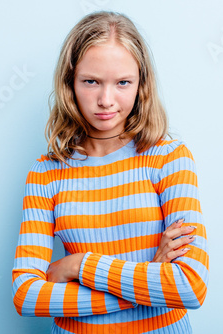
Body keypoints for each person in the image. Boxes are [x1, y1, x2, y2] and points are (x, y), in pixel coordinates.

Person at [12, 10, 209, 333]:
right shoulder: (46, 174)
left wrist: (78, 265)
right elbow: (27, 296)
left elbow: (189, 286)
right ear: (69, 83)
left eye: (122, 83)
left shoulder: (169, 158)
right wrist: (147, 281)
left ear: (141, 85)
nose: (106, 100)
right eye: (91, 81)